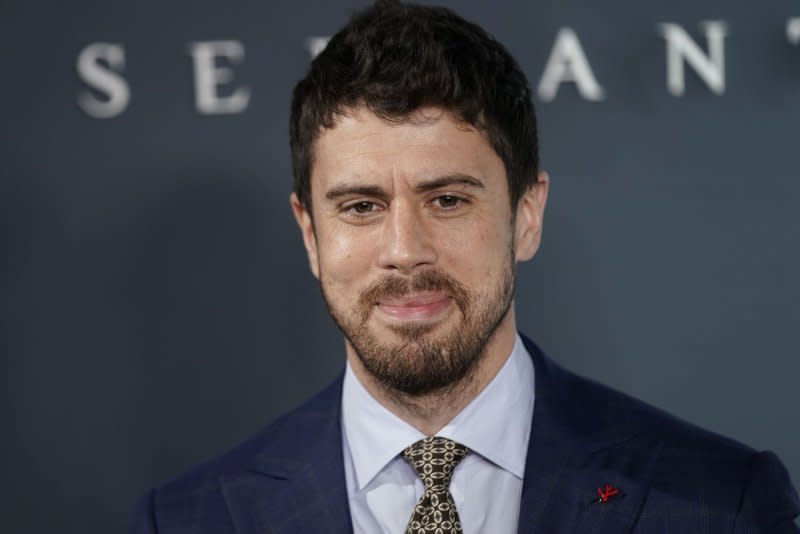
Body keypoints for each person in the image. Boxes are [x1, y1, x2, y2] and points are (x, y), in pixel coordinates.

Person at [130, 1, 799, 532]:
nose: (404, 249)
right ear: (310, 232)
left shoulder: (720, 505)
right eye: (361, 206)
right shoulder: (192, 520)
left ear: (526, 217)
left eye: (447, 200)